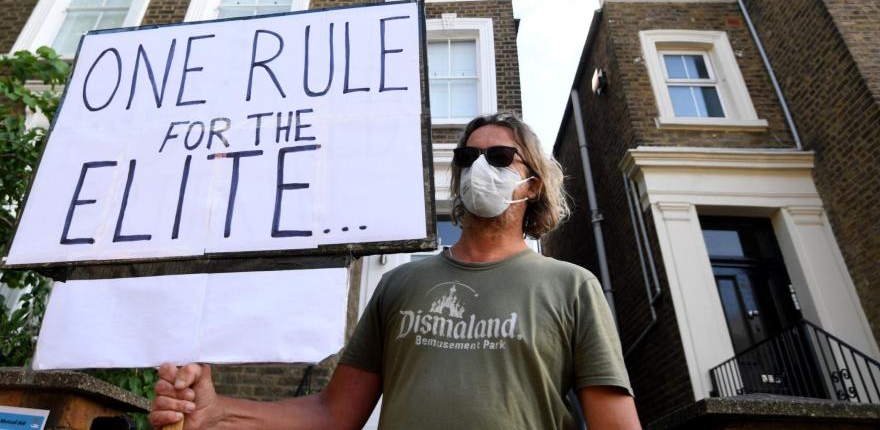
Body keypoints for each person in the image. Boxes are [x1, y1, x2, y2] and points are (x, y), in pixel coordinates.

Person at [149, 112, 642, 429]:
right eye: (468, 157)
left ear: (533, 183)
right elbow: (332, 413)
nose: (479, 168)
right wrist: (218, 412)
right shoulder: (401, 284)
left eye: (498, 157)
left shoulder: (572, 287)